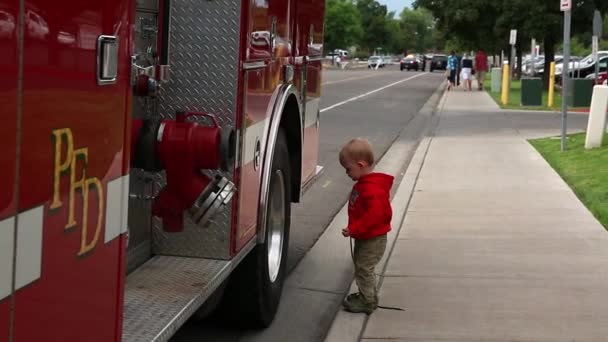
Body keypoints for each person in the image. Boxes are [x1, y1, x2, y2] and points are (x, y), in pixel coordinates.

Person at [339, 138, 394, 314]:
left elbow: (375, 216)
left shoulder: (372, 190)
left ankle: (368, 301)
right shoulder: (364, 185)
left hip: (373, 238)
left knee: (364, 267)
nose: (347, 173)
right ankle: (366, 294)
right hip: (366, 236)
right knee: (362, 265)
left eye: (348, 168)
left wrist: (354, 228)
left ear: (361, 164)